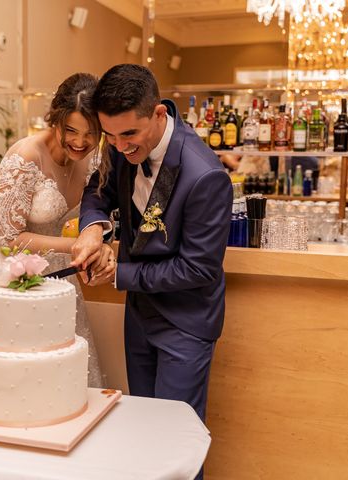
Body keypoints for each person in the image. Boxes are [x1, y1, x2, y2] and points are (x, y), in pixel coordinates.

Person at [72, 64, 232, 435]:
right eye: (110, 137)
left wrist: (119, 273)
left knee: (174, 438)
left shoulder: (205, 175)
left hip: (185, 324)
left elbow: (198, 269)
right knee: (145, 431)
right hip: (140, 316)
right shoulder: (118, 143)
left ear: (159, 113)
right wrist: (93, 230)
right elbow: (98, 190)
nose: (120, 146)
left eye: (129, 134)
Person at [0, 73, 110, 387]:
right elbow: (9, 238)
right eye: (71, 130)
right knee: (6, 370)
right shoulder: (25, 156)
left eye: (91, 133)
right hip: (6, 266)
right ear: (55, 118)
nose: (80, 142)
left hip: (58, 271)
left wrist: (97, 236)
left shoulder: (94, 158)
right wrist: (73, 246)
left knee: (53, 366)